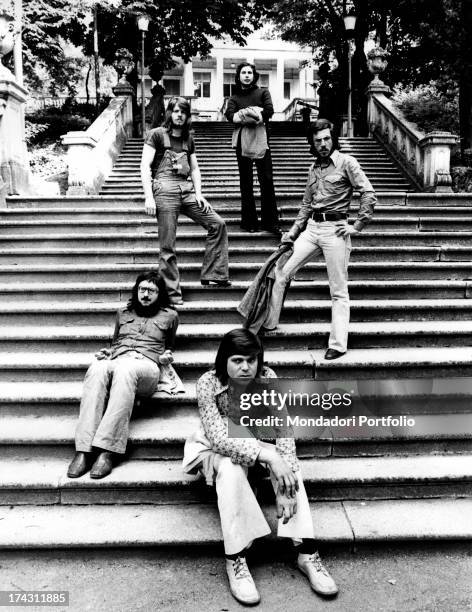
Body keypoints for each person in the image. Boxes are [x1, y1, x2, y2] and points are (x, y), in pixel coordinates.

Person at [183, 329, 338, 605]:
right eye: (237, 360)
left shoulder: (268, 377)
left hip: (250, 437)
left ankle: (307, 552)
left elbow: (283, 427)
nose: (245, 367)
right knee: (231, 468)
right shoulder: (208, 382)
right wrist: (270, 459)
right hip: (212, 446)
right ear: (224, 360)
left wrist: (285, 480)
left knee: (289, 466)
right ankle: (236, 559)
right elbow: (220, 438)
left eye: (251, 360)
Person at [262, 118, 377, 360]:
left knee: (338, 290)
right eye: (318, 141)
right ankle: (269, 325)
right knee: (281, 271)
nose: (323, 144)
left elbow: (368, 192)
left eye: (326, 139)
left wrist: (357, 225)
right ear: (312, 144)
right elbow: (306, 205)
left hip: (336, 229)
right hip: (312, 229)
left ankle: (338, 344)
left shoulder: (347, 162)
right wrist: (293, 232)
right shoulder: (313, 169)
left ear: (332, 139)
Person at [67, 272, 179, 480]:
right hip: (119, 360)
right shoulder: (122, 313)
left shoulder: (170, 316)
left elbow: (169, 346)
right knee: (97, 368)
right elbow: (115, 343)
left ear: (159, 294)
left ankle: (107, 451)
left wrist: (166, 356)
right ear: (136, 291)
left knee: (125, 369)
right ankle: (84, 450)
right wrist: (107, 353)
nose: (146, 294)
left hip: (147, 367)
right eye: (142, 290)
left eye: (152, 291)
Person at [141, 96, 230, 307]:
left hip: (186, 188)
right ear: (169, 113)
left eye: (183, 112)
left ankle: (215, 274)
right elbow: (145, 167)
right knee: (167, 246)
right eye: (176, 111)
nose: (179, 115)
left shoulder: (189, 139)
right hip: (164, 189)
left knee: (217, 224)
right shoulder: (156, 135)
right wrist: (148, 196)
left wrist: (199, 194)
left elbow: (195, 168)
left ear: (187, 116)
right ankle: (171, 294)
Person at [225, 62, 280, 236]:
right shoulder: (233, 98)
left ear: (254, 75)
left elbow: (269, 111)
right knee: (246, 182)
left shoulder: (263, 92)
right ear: (238, 76)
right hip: (242, 142)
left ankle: (270, 222)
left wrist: (246, 114)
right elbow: (230, 116)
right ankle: (249, 221)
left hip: (262, 139)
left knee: (267, 179)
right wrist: (254, 113)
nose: (247, 75)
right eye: (243, 72)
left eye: (250, 72)